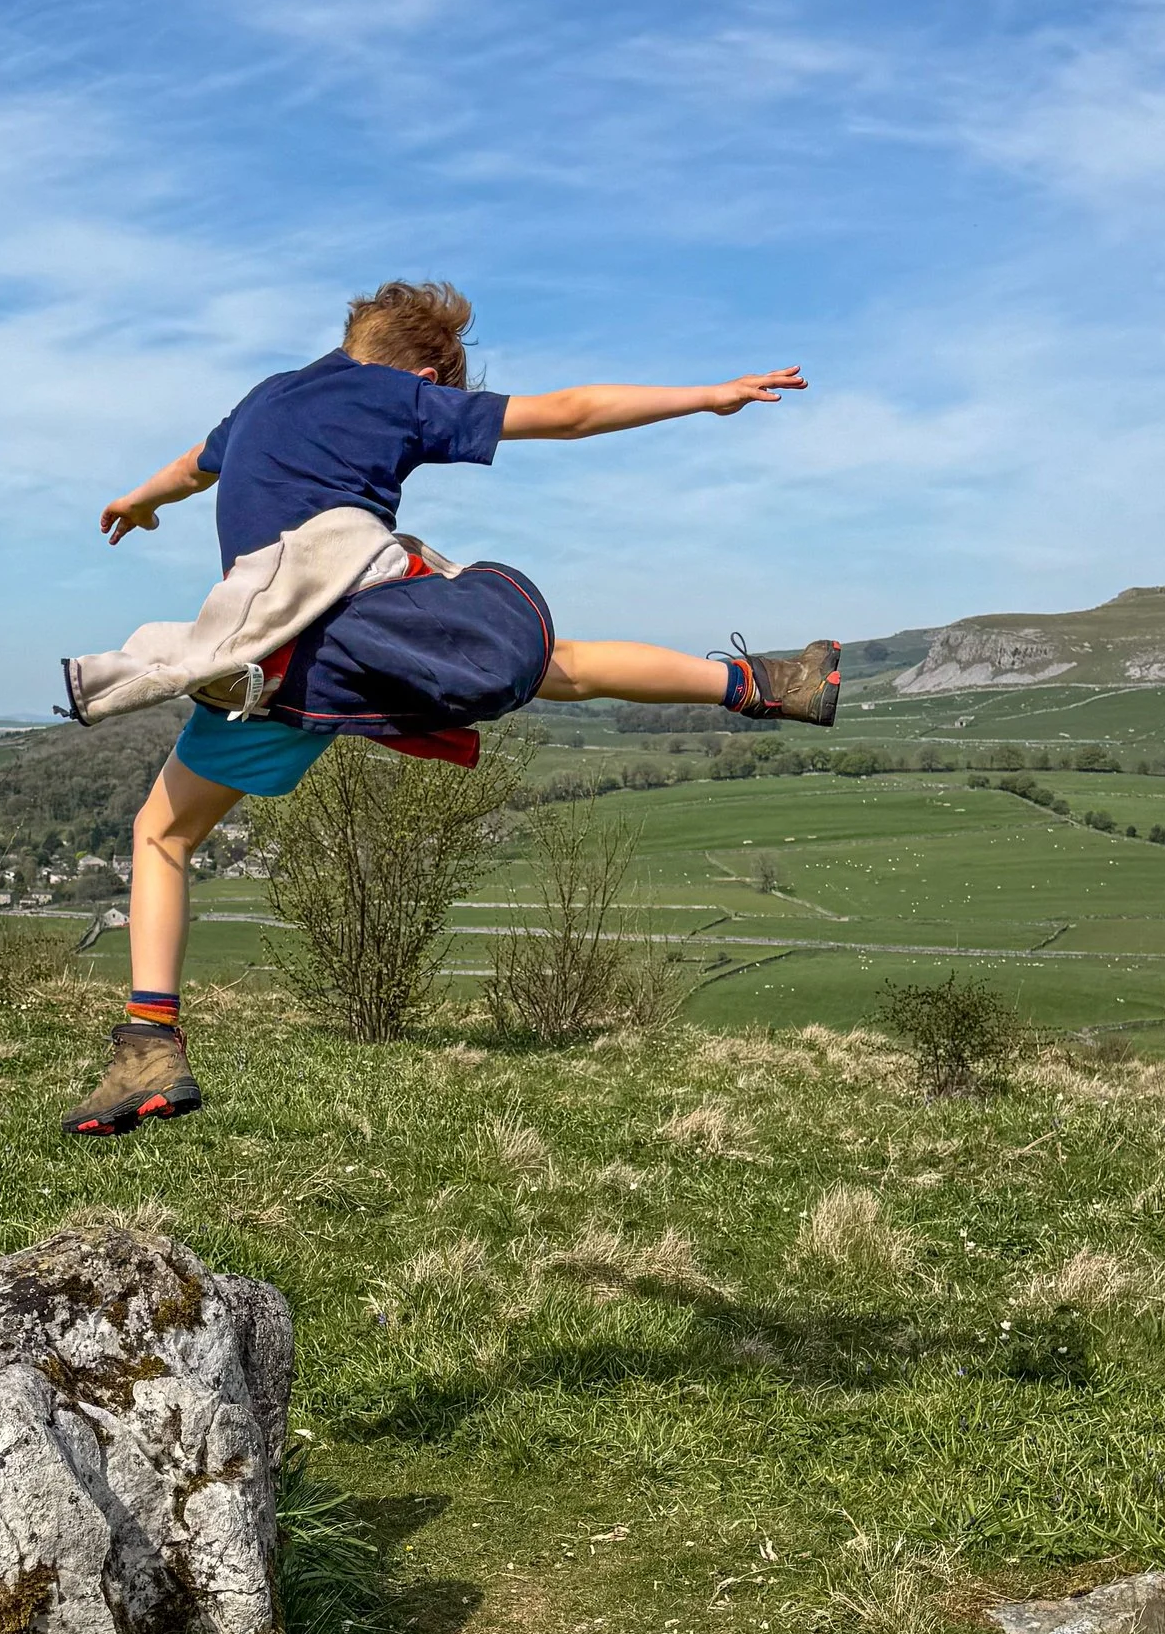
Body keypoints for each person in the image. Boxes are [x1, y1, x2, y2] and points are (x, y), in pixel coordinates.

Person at [62, 278, 838, 1139]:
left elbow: (188, 468)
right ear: (429, 373)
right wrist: (707, 396)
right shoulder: (403, 396)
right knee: (558, 662)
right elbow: (573, 411)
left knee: (162, 835)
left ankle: (150, 1048)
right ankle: (769, 687)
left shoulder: (262, 399)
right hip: (379, 630)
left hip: (276, 668)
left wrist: (139, 500)